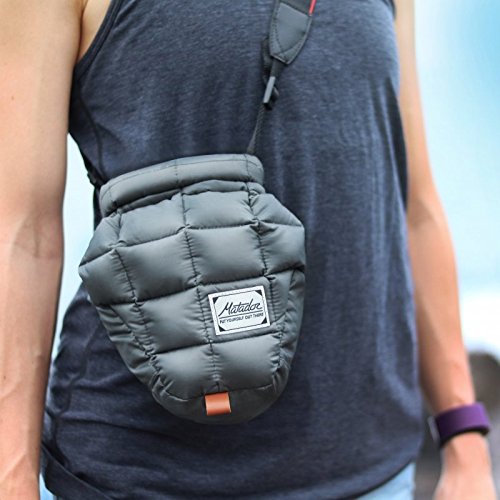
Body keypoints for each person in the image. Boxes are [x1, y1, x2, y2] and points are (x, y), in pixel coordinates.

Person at [0, 0, 496, 498]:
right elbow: (24, 236)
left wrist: (464, 436)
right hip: (143, 474)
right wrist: (13, 477)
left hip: (376, 471)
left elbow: (412, 205)